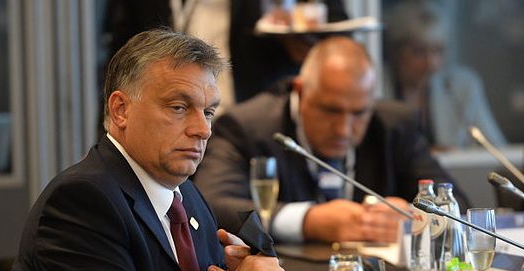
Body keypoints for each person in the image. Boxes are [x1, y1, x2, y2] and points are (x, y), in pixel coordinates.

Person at [0, 29, 287, 271]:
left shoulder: (187, 197)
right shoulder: (82, 200)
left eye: (209, 111)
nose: (203, 129)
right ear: (121, 109)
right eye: (178, 108)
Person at [194, 35, 470, 245]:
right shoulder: (246, 127)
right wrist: (309, 221)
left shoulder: (393, 126)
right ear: (300, 91)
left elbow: (456, 203)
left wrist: (412, 216)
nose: (343, 129)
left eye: (359, 113)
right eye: (330, 111)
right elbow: (214, 206)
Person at [383, 0, 507, 150]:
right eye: (419, 51)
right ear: (396, 51)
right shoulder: (378, 86)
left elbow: (497, 150)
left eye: (438, 50)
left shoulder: (461, 86)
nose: (431, 63)